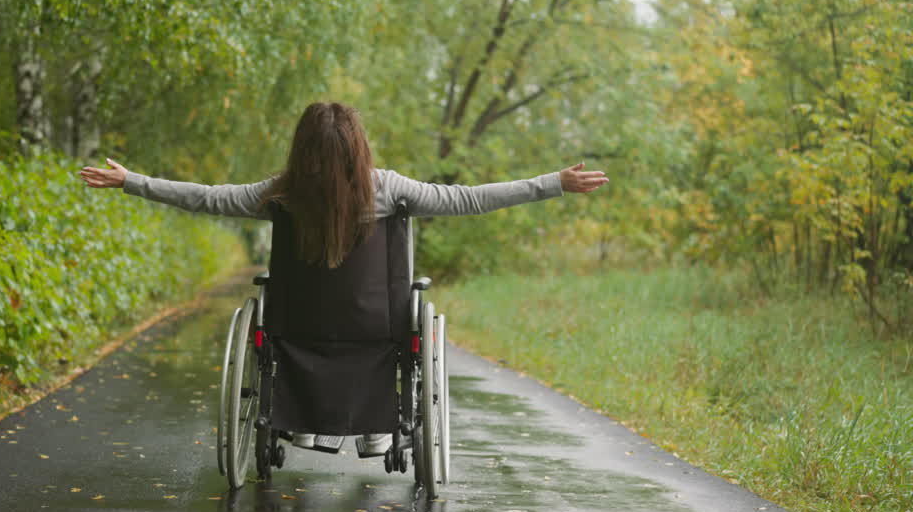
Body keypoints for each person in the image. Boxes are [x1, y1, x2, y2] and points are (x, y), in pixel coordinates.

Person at [81, 102, 607, 455]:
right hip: (377, 328)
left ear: (301, 150)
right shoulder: (390, 190)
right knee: (403, 311)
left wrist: (132, 181)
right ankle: (378, 427)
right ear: (358, 147)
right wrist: (553, 183)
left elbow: (207, 198)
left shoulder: (281, 193)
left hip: (296, 328)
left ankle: (301, 419)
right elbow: (469, 199)